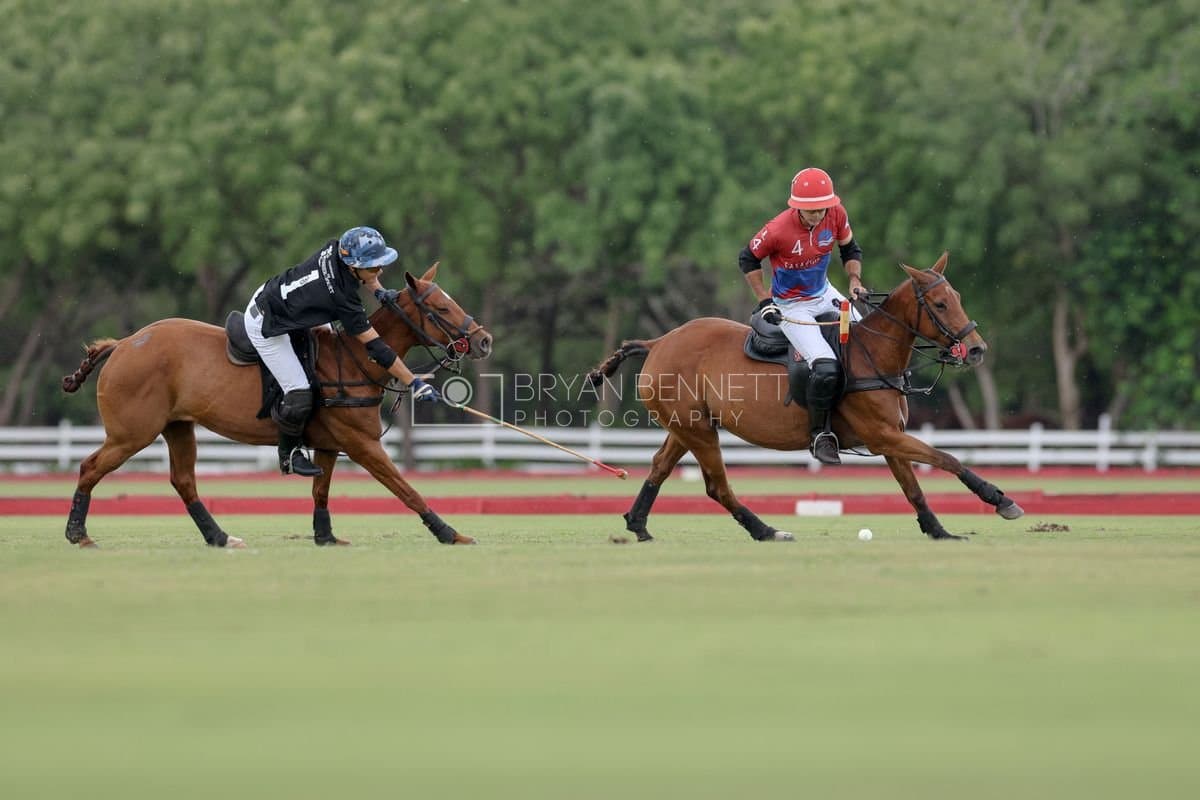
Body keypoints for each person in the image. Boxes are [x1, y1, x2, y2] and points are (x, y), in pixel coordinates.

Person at [244, 226, 440, 477]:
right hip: (267, 322)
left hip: (286, 301)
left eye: (380, 265)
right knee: (299, 390)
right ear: (353, 266)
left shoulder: (337, 249)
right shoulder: (342, 298)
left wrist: (380, 292)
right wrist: (413, 382)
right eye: (373, 266)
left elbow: (366, 276)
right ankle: (289, 454)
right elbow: (377, 347)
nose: (379, 271)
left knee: (329, 364)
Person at [737, 167, 865, 465]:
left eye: (822, 209)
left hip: (825, 293)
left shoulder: (836, 214)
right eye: (811, 211)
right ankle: (820, 434)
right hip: (793, 305)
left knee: (865, 344)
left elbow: (850, 249)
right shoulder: (778, 229)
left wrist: (855, 281)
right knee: (825, 366)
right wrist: (764, 300)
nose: (818, 215)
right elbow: (747, 258)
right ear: (797, 207)